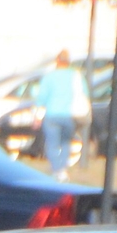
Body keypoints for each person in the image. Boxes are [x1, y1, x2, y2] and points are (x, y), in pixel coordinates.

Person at [35, 51, 89, 179]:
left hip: (52, 115)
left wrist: (37, 116)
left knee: (52, 143)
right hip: (70, 115)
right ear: (68, 62)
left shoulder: (49, 77)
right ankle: (63, 170)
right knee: (65, 143)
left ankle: (56, 169)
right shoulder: (76, 76)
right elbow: (85, 93)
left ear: (57, 61)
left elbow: (41, 98)